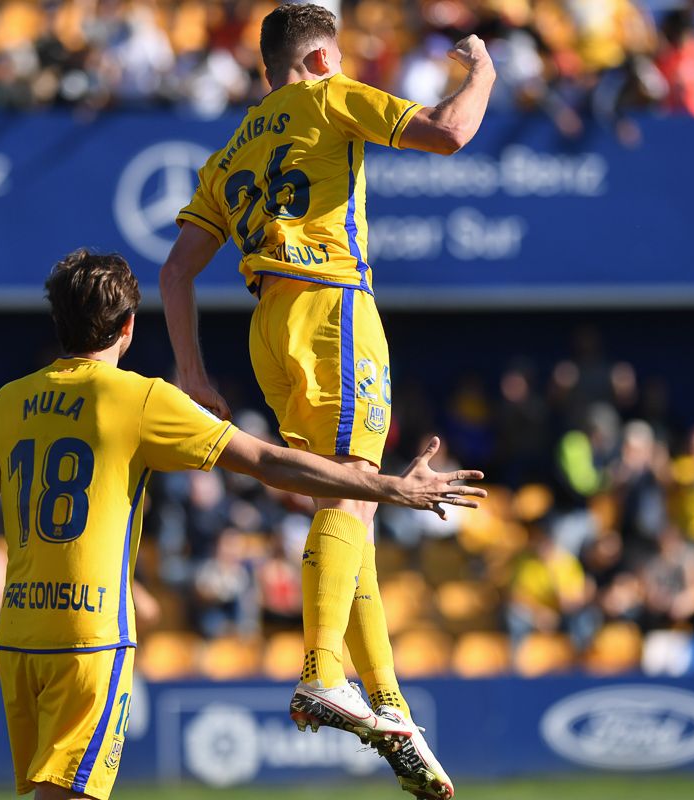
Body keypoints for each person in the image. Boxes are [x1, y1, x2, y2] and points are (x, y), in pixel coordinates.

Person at [0, 251, 485, 800]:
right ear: (129, 327)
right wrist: (391, 487)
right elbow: (267, 462)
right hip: (91, 635)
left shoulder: (4, 404)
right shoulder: (140, 398)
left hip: (18, 636)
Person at [158, 5, 495, 797]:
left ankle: (390, 709)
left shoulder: (230, 149)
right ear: (315, 60)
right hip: (333, 306)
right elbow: (450, 133)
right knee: (354, 503)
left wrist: (190, 371)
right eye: (335, 56)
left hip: (266, 329)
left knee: (349, 503)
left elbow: (174, 273)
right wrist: (484, 72)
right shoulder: (327, 94)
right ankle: (319, 671)